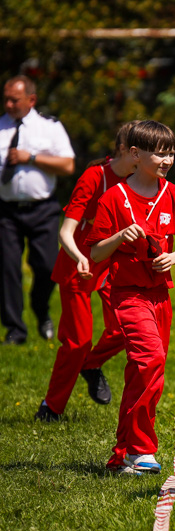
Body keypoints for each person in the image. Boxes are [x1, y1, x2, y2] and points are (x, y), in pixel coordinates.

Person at [87, 120, 175, 475]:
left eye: (171, 153)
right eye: (159, 153)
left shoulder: (174, 194)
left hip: (161, 294)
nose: (167, 160)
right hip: (127, 293)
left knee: (141, 373)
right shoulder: (113, 198)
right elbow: (98, 253)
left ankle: (121, 454)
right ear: (136, 154)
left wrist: (172, 258)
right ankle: (141, 449)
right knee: (151, 361)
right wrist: (119, 236)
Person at [34, 122, 140, 422]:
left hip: (110, 264)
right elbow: (65, 232)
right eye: (139, 152)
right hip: (77, 263)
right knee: (77, 341)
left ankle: (90, 364)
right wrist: (80, 257)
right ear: (123, 150)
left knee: (124, 328)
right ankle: (51, 408)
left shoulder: (138, 180)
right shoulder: (94, 177)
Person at [0, 75, 75, 345]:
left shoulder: (49, 128)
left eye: (14, 99)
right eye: (6, 98)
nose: (8, 104)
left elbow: (67, 165)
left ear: (31, 100)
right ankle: (15, 330)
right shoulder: (0, 127)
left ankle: (41, 310)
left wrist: (30, 157)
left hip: (43, 208)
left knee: (47, 267)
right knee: (7, 268)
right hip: (6, 211)